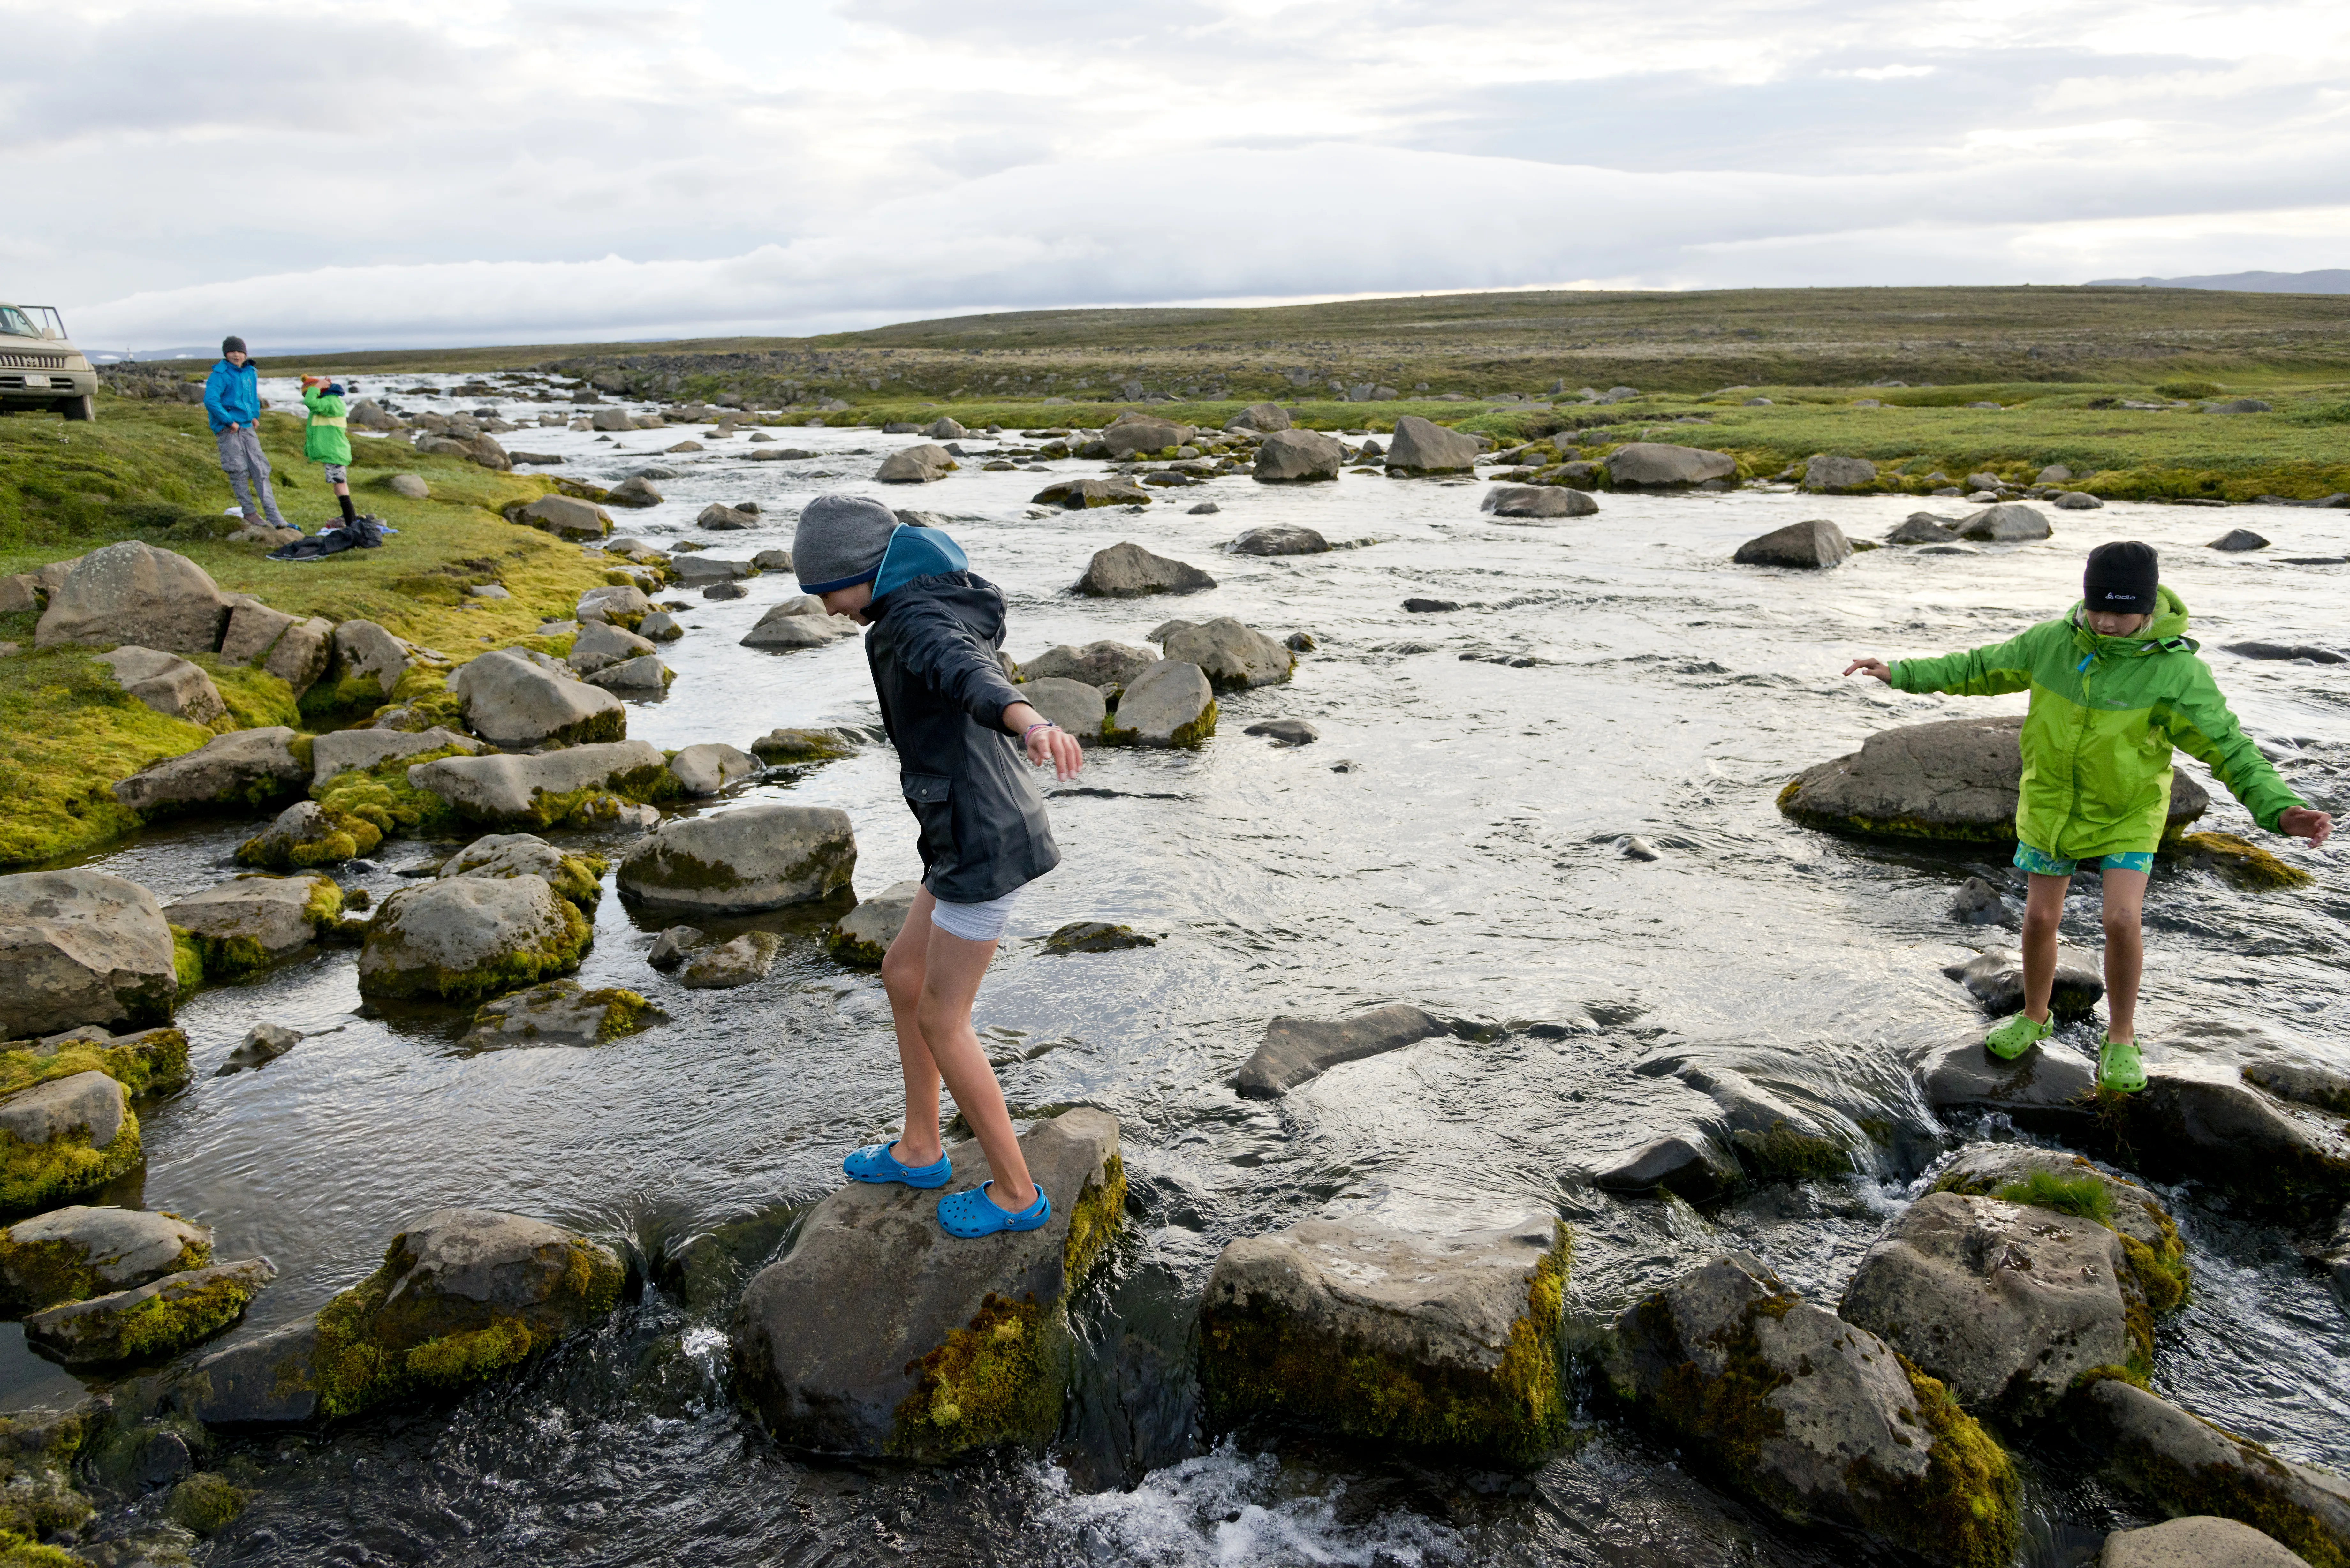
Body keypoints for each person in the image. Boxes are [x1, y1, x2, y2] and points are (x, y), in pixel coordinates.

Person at [1846, 541, 2331, 1091]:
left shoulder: (2176, 672)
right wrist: (1900, 671)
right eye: (2098, 607)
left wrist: (2279, 809)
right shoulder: (2053, 642)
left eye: (2122, 612)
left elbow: (2228, 745)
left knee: (2121, 921)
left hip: (2128, 811)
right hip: (2052, 804)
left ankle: (2121, 1035)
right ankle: (2034, 1014)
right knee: (2038, 920)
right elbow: (1980, 667)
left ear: (2147, 608)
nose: (2107, 621)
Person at [795, 495, 1085, 1236]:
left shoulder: (914, 620)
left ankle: (1017, 1194)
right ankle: (922, 1147)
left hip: (980, 839)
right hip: (965, 824)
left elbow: (969, 675)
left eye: (826, 590)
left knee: (941, 1014)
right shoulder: (919, 598)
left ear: (862, 572)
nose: (827, 609)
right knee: (902, 973)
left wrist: (1031, 719)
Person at [202, 337, 292, 531]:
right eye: (232, 352)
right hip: (228, 429)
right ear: (226, 354)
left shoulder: (251, 372)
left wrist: (254, 415)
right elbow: (211, 401)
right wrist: (229, 421)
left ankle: (274, 516)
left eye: (240, 352)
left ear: (245, 354)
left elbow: (252, 398)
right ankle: (249, 512)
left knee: (260, 469)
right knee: (238, 469)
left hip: (247, 427)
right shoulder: (219, 375)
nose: (236, 355)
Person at [299, 375, 358, 527]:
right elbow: (314, 432)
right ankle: (348, 518)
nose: (308, 397)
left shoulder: (331, 403)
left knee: (340, 486)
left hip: (335, 452)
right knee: (339, 487)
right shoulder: (327, 404)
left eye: (308, 393)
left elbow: (310, 402)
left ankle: (351, 521)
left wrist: (317, 386)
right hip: (333, 452)